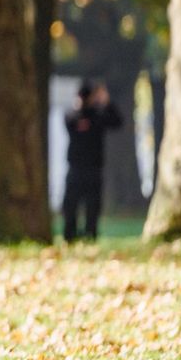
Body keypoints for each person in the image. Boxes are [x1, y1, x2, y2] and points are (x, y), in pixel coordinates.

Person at [61, 79, 123, 242]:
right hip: (75, 167)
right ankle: (70, 234)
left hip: (94, 168)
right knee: (71, 204)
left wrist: (106, 103)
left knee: (93, 206)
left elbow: (117, 122)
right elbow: (69, 119)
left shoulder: (98, 115)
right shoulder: (73, 115)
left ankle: (90, 234)